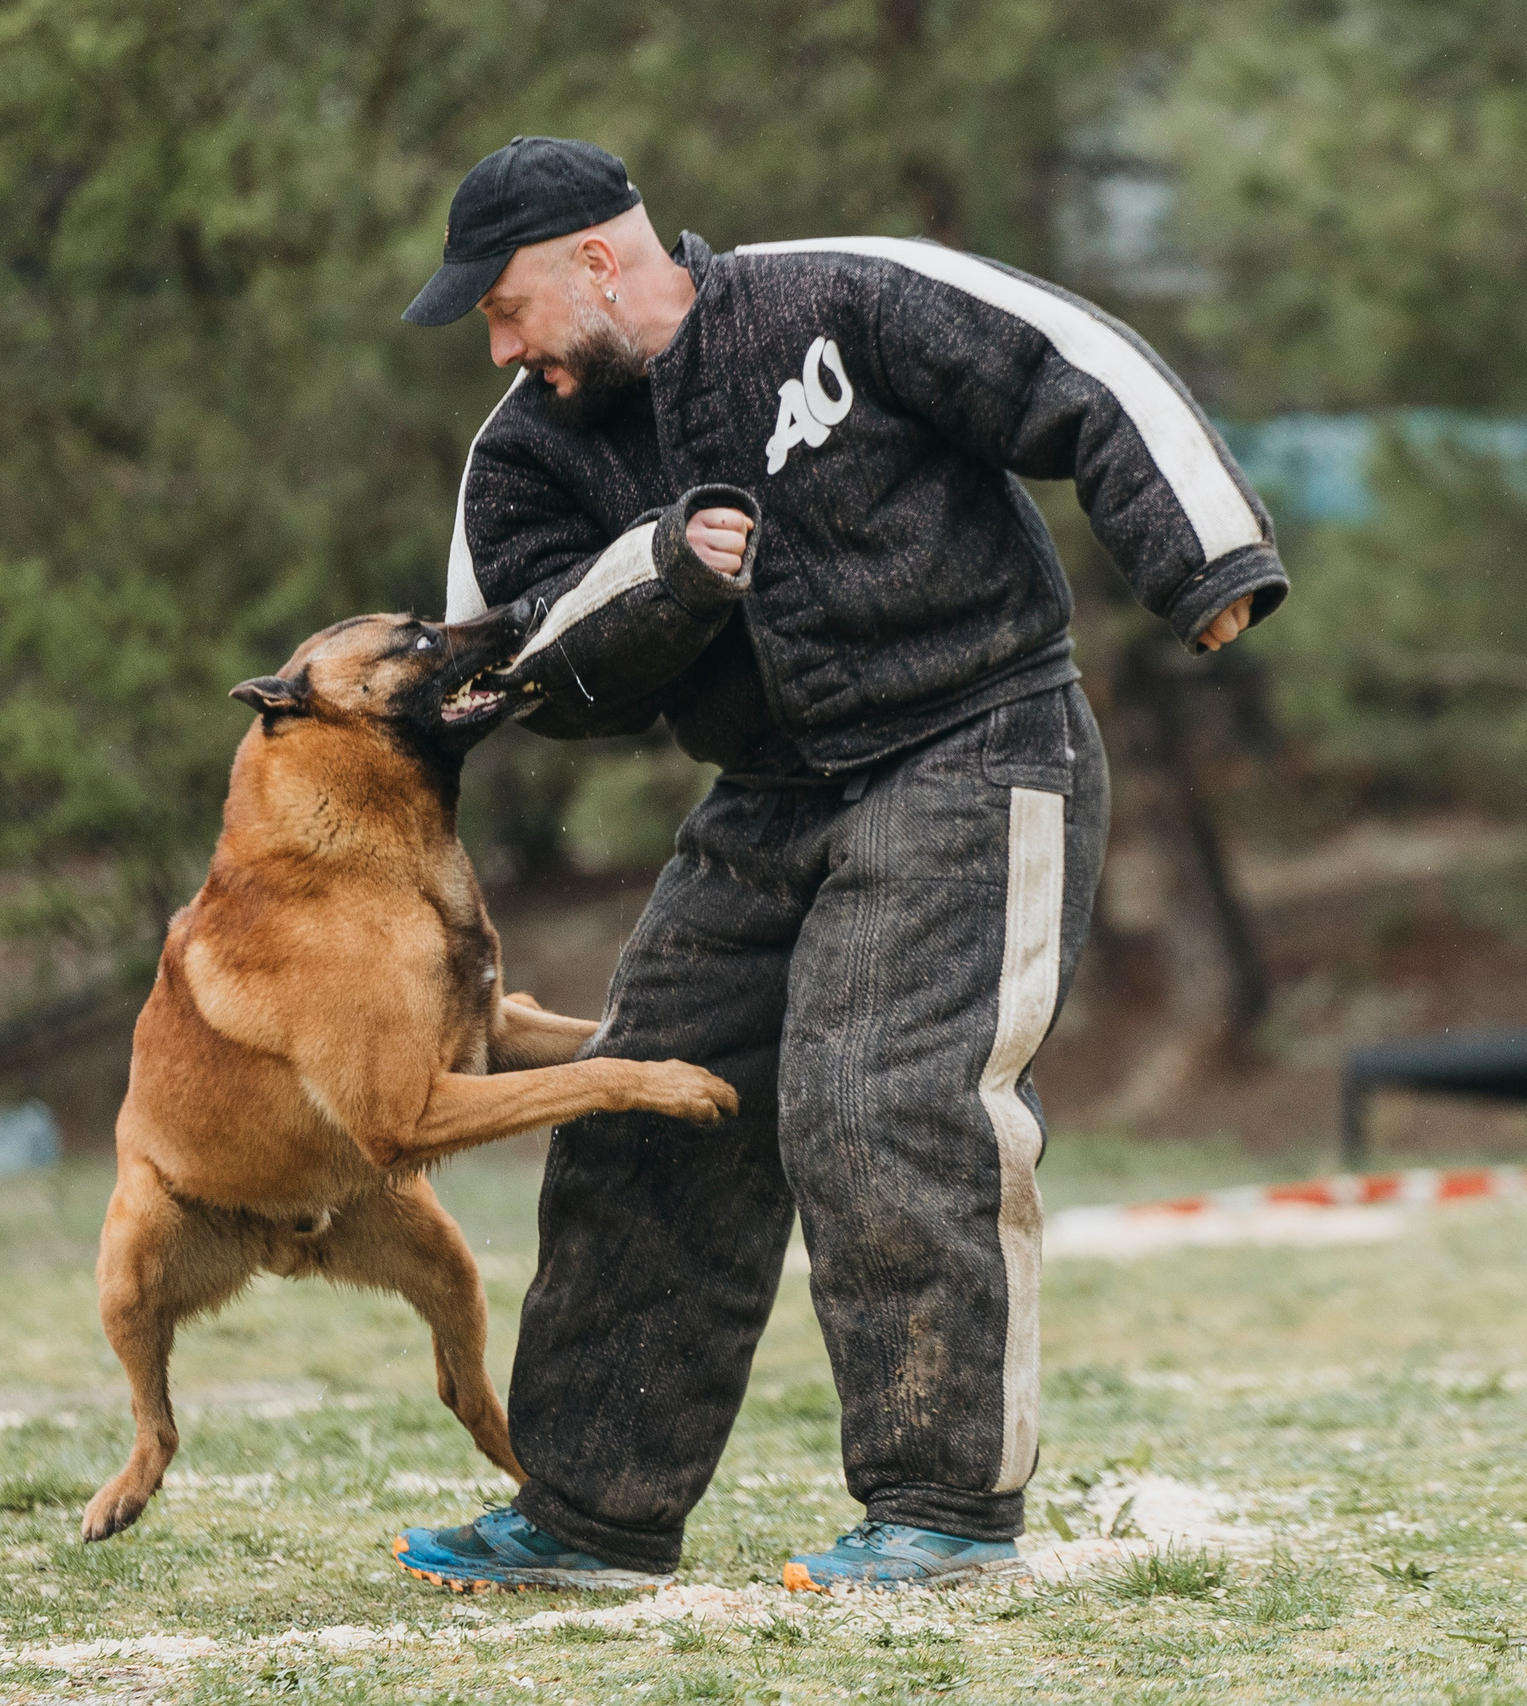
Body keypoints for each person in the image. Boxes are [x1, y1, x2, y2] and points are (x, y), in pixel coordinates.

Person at [389, 137, 1284, 1594]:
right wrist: (661, 574)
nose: (500, 348)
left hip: (977, 741)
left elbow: (1080, 366)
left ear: (596, 264)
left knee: (881, 1099)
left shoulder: (842, 298)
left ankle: (943, 1512)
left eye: (504, 307)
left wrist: (1207, 561)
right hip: (766, 792)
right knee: (646, 1101)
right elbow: (512, 668)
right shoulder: (528, 451)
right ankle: (592, 1515)